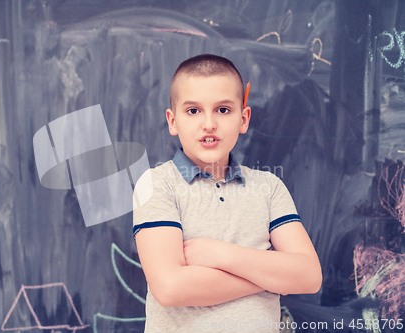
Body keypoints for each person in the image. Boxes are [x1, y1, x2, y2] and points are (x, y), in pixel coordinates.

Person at [132, 54, 322, 333]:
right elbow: (171, 288)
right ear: (172, 122)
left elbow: (308, 276)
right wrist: (271, 276)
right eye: (193, 111)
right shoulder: (157, 184)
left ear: (243, 119)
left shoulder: (269, 187)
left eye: (223, 110)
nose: (209, 124)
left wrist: (220, 254)